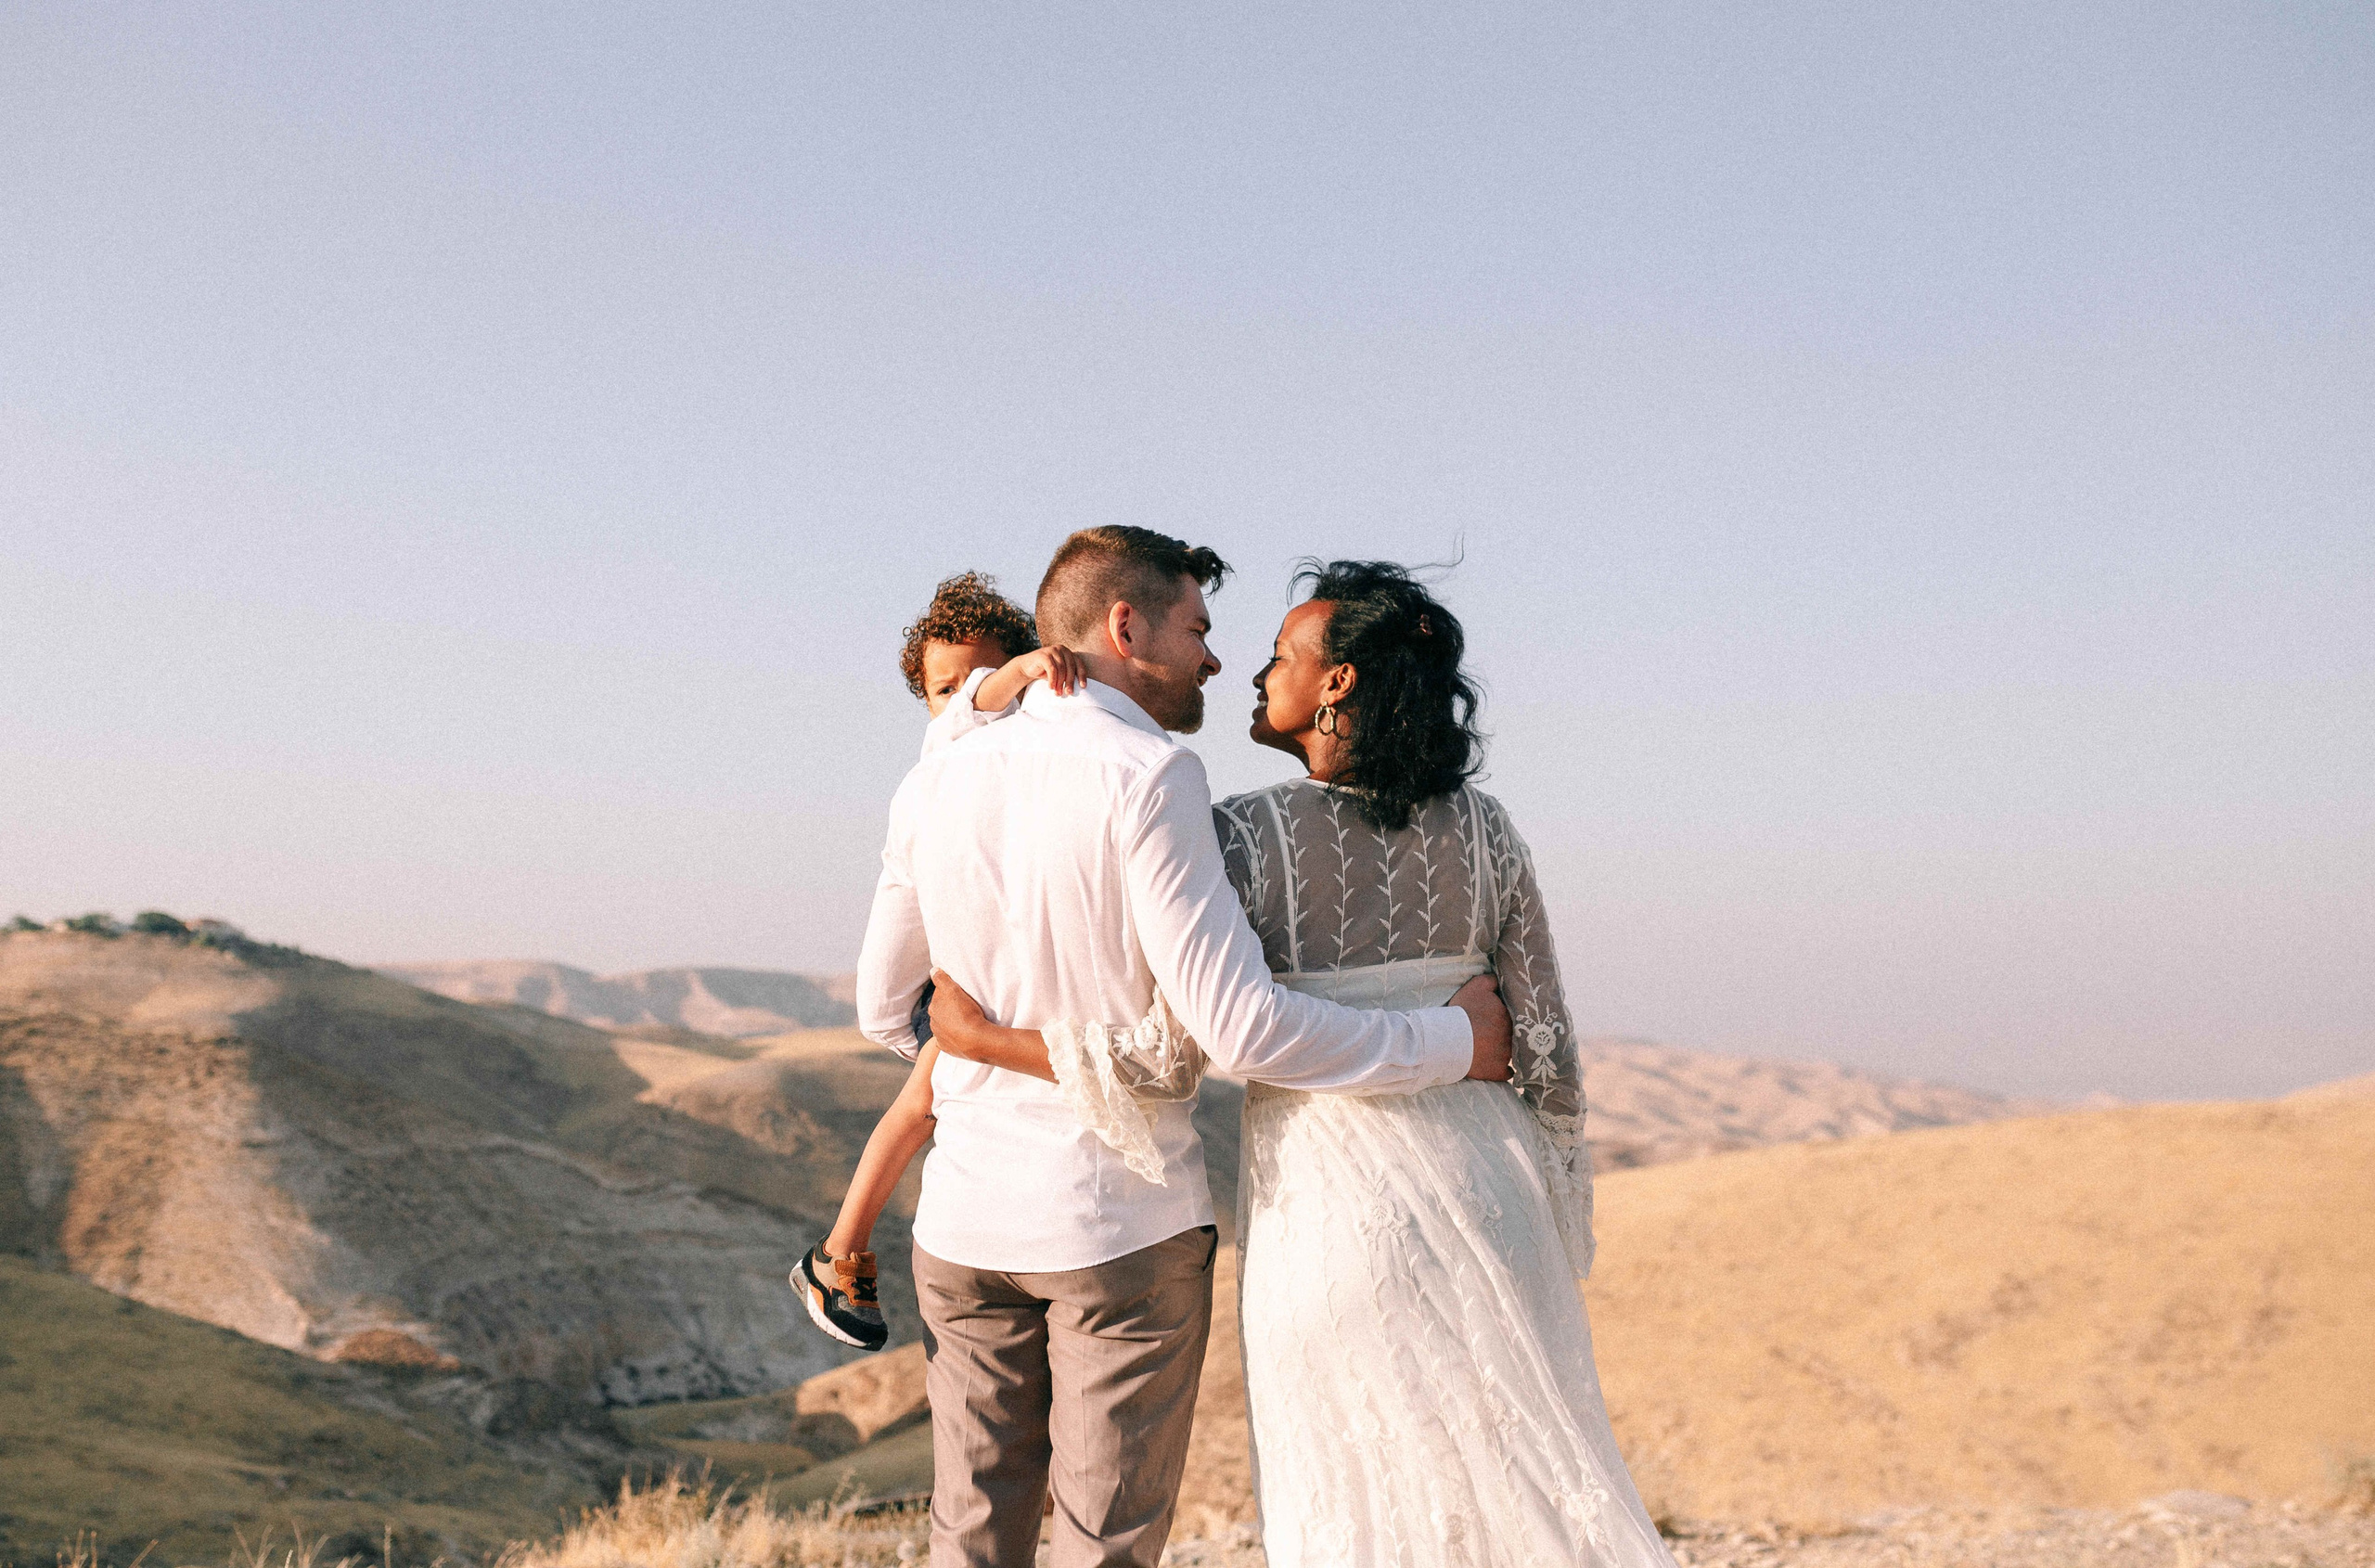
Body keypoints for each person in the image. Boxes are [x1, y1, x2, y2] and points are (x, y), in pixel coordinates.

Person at [928, 560, 1679, 1568]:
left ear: (1335, 685)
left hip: (1329, 1206)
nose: (1251, 670)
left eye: (1282, 654)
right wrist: (1542, 1189)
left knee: (1356, 1496)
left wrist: (984, 1041)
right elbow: (1544, 1050)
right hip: (1492, 1195)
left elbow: (1170, 1052)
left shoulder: (1244, 834)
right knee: (1517, 1478)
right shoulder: (1489, 831)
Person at [854, 527, 1514, 1568]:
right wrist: (1451, 1040)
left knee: (968, 1534)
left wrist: (981, 1052)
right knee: (1101, 1544)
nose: (1213, 657)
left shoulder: (934, 778)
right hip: (1118, 1224)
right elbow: (1239, 1026)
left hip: (965, 1225)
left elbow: (885, 1010)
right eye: (1198, 628)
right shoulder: (1152, 773)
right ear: (1126, 625)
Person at [793, 572, 1084, 1352]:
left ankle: (844, 1248)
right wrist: (1014, 673)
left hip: (936, 987)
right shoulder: (953, 743)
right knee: (924, 1099)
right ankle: (835, 1255)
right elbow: (974, 709)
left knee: (934, 1097)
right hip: (906, 994)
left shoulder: (1023, 754)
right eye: (943, 687)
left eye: (978, 674)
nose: (963, 695)